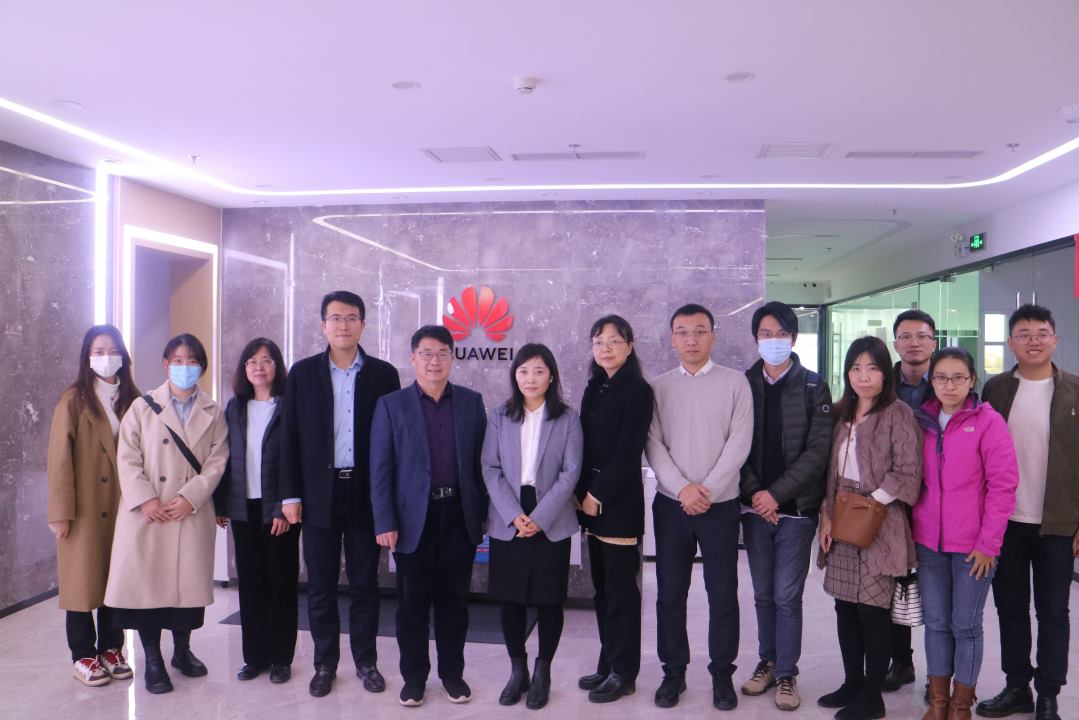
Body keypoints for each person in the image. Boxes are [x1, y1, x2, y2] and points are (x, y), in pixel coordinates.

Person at [279, 291, 401, 698]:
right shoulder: (302, 374)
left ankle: (366, 661)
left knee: (366, 584)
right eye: (335, 318)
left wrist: (390, 502)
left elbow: (393, 442)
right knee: (320, 585)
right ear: (323, 325)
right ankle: (324, 664)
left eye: (351, 318)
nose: (343, 325)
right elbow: (289, 438)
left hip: (366, 493)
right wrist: (290, 495)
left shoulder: (384, 375)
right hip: (317, 495)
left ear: (363, 324)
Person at [104, 333, 229, 694]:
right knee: (149, 590)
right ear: (165, 365)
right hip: (149, 514)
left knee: (185, 590)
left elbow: (218, 461)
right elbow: (127, 458)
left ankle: (182, 651)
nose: (184, 367)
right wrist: (145, 499)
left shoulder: (213, 412)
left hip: (189, 512)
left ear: (201, 367)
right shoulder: (142, 407)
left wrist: (192, 497)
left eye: (192, 361)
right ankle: (153, 659)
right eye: (177, 360)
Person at [370, 325, 487, 707]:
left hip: (458, 515)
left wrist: (483, 515)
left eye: (442, 353)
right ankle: (414, 678)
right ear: (413, 358)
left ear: (452, 357)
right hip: (410, 521)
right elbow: (380, 468)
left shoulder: (471, 403)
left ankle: (452, 675)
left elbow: (481, 464)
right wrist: (384, 521)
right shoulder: (391, 405)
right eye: (426, 353)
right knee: (412, 605)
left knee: (455, 603)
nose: (434, 361)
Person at [645, 304, 752, 711]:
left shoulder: (735, 384)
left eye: (700, 331)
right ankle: (673, 671)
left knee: (722, 593)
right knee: (670, 593)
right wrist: (682, 489)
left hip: (720, 505)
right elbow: (653, 444)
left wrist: (705, 490)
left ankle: (722, 672)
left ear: (713, 336)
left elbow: (739, 443)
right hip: (671, 506)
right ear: (672, 338)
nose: (691, 339)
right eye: (683, 332)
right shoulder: (658, 387)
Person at [977, 304, 1079, 720]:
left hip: (1057, 523)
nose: (1033, 341)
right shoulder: (995, 390)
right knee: (1010, 609)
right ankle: (1017, 686)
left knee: (1053, 612)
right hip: (1005, 523)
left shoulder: (1075, 391)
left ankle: (1049, 694)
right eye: (1024, 334)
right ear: (1011, 342)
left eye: (1041, 333)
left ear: (1055, 339)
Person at [817, 336, 921, 720]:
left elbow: (907, 473)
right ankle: (853, 683)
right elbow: (830, 474)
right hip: (841, 516)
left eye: (872, 368)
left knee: (872, 612)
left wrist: (867, 505)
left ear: (884, 374)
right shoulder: (841, 413)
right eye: (856, 368)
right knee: (845, 606)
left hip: (881, 521)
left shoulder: (897, 414)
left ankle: (872, 697)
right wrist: (827, 515)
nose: (863, 376)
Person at [912, 347, 1018, 720]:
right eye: (941, 377)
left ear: (972, 380)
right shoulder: (922, 421)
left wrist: (989, 543)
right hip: (928, 543)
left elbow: (1003, 486)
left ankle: (960, 705)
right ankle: (938, 702)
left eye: (958, 377)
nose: (949, 385)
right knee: (937, 624)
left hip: (975, 547)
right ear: (932, 381)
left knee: (966, 625)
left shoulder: (988, 422)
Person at [739, 301, 834, 711]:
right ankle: (768, 661)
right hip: (754, 510)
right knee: (762, 593)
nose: (773, 340)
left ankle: (787, 674)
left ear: (793, 338)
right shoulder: (743, 384)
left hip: (795, 510)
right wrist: (756, 494)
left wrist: (775, 494)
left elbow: (818, 451)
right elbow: (734, 446)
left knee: (786, 596)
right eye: (766, 334)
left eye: (780, 334)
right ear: (755, 339)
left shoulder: (814, 386)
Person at [481, 343, 583, 710]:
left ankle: (543, 672)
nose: (530, 378)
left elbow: (571, 472)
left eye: (539, 371)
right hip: (508, 514)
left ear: (551, 376)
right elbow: (490, 468)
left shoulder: (567, 418)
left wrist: (539, 518)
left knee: (548, 599)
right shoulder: (499, 416)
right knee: (510, 598)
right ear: (515, 376)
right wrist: (514, 515)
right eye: (523, 371)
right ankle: (518, 669)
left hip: (550, 515)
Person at [47, 324, 140, 686]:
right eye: (99, 351)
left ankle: (112, 648)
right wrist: (60, 513)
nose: (106, 357)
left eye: (113, 350)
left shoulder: (133, 398)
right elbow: (59, 460)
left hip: (122, 506)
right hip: (84, 508)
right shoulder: (73, 399)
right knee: (81, 582)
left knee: (116, 580)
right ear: (87, 357)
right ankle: (83, 654)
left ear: (123, 356)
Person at [574, 315, 654, 704]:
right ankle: (608, 663)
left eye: (613, 341)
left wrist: (597, 494)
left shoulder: (638, 390)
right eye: (598, 342)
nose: (605, 348)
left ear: (629, 346)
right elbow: (583, 446)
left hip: (618, 505)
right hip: (589, 504)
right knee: (603, 592)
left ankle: (624, 672)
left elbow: (628, 452)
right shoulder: (595, 387)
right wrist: (580, 493)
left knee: (622, 594)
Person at [213, 338, 298, 684]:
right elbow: (223, 457)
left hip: (279, 510)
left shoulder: (289, 406)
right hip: (243, 509)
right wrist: (221, 503)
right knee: (250, 586)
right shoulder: (235, 407)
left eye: (266, 360)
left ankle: (281, 659)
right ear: (244, 369)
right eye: (252, 361)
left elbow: (295, 460)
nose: (258, 367)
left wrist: (282, 508)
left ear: (277, 366)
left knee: (281, 585)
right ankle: (254, 658)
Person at [887, 309, 938, 693]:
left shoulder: (950, 379)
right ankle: (900, 661)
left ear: (933, 342)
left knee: (936, 586)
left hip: (939, 497)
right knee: (894, 581)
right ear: (895, 344)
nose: (914, 343)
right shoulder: (882, 383)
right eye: (905, 336)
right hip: (893, 497)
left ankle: (940, 673)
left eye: (921, 336)